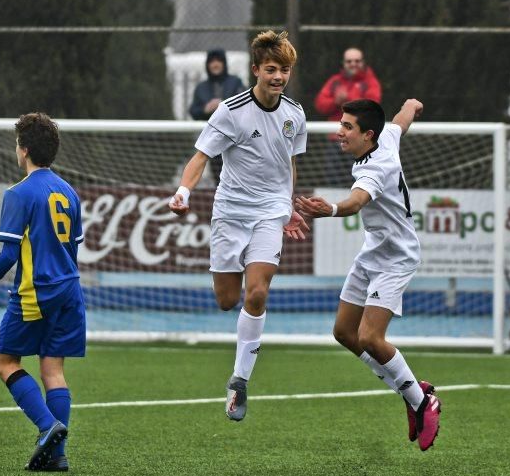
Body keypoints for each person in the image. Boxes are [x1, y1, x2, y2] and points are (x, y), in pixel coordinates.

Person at [169, 30, 309, 422]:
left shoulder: (295, 115)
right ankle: (240, 361)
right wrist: (183, 191)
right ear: (255, 71)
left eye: (284, 70)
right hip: (230, 212)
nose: (278, 76)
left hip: (270, 211)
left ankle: (239, 380)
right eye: (271, 69)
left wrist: (289, 205)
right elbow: (200, 157)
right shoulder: (231, 110)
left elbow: (289, 163)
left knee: (257, 293)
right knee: (227, 300)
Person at [294, 98, 441, 452]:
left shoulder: (375, 169)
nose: (339, 132)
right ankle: (410, 392)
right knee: (344, 333)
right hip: (372, 253)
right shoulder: (387, 135)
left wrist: (328, 209)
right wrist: (411, 106)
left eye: (347, 127)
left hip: (396, 258)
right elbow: (400, 121)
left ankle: (423, 404)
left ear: (367, 135)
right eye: (341, 124)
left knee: (371, 338)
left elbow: (355, 203)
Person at [0, 112, 85, 472]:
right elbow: (72, 252)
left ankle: (47, 428)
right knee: (52, 369)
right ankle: (57, 456)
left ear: (24, 150)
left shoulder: (19, 193)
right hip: (69, 290)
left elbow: (10, 254)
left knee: (5, 362)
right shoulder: (69, 193)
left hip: (35, 290)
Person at [313, 48, 382, 187]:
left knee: (359, 180)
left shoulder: (370, 82)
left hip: (360, 142)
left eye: (357, 61)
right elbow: (320, 104)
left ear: (363, 62)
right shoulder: (335, 81)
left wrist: (346, 100)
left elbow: (373, 105)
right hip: (335, 140)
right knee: (333, 181)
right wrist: (335, 102)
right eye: (349, 61)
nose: (353, 64)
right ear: (343, 63)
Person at [189, 49, 247, 184]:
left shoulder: (235, 82)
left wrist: (223, 105)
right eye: (212, 61)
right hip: (213, 140)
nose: (215, 64)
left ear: (224, 63)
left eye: (218, 61)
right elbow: (193, 111)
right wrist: (205, 109)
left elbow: (245, 105)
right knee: (218, 180)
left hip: (236, 138)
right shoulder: (201, 87)